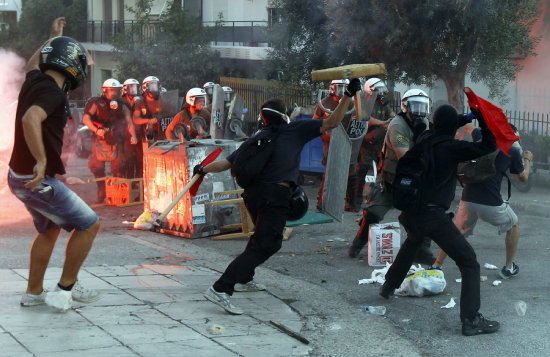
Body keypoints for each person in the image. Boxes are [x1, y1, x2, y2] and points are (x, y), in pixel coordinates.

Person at [197, 79, 362, 314]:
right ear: (284, 116)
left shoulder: (255, 139)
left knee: (258, 239)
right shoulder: (295, 129)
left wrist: (202, 169)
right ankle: (221, 288)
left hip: (253, 196)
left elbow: (224, 163)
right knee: (268, 244)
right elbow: (334, 122)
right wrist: (347, 95)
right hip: (275, 195)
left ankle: (245, 277)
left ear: (264, 118)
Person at [380, 104, 500, 336]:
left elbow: (444, 123)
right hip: (432, 215)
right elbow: (488, 145)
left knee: (413, 242)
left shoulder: (425, 138)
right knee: (469, 262)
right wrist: (483, 120)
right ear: (452, 126)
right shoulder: (451, 147)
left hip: (410, 211)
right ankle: (471, 320)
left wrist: (466, 116)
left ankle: (389, 285)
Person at [7, 18, 101, 310]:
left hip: (18, 177)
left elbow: (32, 64)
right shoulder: (50, 92)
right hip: (36, 179)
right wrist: (41, 160)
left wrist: (52, 37)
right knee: (89, 224)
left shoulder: (37, 80)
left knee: (49, 230)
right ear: (73, 67)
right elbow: (30, 119)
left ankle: (33, 294)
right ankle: (64, 290)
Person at [431, 123, 533, 278]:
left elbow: (469, 127)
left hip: (468, 198)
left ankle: (436, 266)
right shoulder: (512, 151)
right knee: (514, 224)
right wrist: (527, 160)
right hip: (490, 203)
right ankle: (509, 267)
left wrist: (475, 113)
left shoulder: (482, 137)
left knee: (455, 232)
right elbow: (523, 178)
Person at [348, 88, 435, 264]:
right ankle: (357, 244)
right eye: (415, 106)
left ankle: (423, 250)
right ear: (405, 106)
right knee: (373, 213)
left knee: (423, 214)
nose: (419, 111)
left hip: (413, 183)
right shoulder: (397, 125)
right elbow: (405, 157)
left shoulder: (424, 123)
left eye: (422, 106)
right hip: (391, 180)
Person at [82, 78, 137, 203]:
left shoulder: (122, 105)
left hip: (116, 139)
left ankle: (117, 193)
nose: (114, 93)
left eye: (116, 90)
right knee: (96, 167)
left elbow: (129, 122)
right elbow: (86, 119)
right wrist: (97, 130)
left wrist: (133, 135)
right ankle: (101, 192)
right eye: (111, 90)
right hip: (100, 139)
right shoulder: (96, 103)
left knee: (119, 166)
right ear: (105, 91)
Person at [312, 79, 357, 211]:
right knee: (329, 171)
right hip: (329, 139)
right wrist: (323, 131)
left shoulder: (350, 102)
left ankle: (350, 203)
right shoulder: (324, 102)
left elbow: (357, 118)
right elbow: (315, 121)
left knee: (350, 170)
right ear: (332, 88)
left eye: (344, 87)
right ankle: (322, 203)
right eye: (339, 87)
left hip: (346, 139)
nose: (341, 91)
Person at [355, 78, 395, 206]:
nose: (379, 93)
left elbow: (391, 113)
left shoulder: (381, 101)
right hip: (365, 142)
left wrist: (393, 120)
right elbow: (366, 118)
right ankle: (356, 200)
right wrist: (383, 123)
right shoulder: (361, 101)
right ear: (369, 90)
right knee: (361, 171)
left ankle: (380, 198)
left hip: (380, 142)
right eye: (376, 90)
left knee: (383, 169)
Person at [132, 76, 161, 176]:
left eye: (156, 85)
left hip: (161, 136)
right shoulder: (140, 102)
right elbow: (135, 119)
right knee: (144, 161)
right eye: (152, 85)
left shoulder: (162, 100)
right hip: (146, 137)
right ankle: (143, 185)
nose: (155, 88)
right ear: (145, 87)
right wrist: (149, 120)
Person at [121, 78, 141, 178]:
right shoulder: (121, 102)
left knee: (139, 159)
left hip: (138, 133)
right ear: (126, 89)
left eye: (135, 87)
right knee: (128, 159)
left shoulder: (138, 101)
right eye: (131, 87)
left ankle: (138, 181)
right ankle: (129, 181)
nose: (134, 90)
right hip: (125, 135)